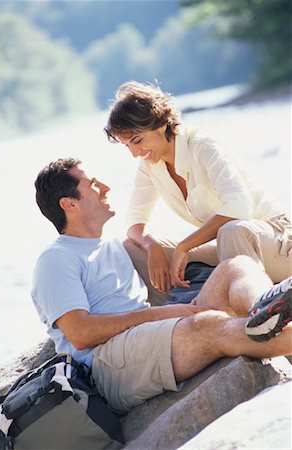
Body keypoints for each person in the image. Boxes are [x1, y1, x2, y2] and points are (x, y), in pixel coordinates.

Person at [32, 157, 292, 414]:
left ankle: (266, 311)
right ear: (69, 204)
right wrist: (162, 314)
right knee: (208, 325)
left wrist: (153, 245)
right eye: (93, 184)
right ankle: (274, 329)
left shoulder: (111, 246)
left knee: (235, 266)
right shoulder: (56, 259)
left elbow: (146, 236)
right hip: (108, 364)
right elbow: (80, 334)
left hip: (151, 337)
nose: (106, 187)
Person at [104, 81, 292, 305]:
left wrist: (185, 246)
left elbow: (238, 208)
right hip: (229, 248)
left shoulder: (203, 145)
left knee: (232, 230)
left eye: (137, 141)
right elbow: (135, 220)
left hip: (277, 241)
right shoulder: (150, 165)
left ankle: (252, 311)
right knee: (133, 246)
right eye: (128, 146)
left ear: (161, 124)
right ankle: (176, 315)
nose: (135, 153)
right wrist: (151, 245)